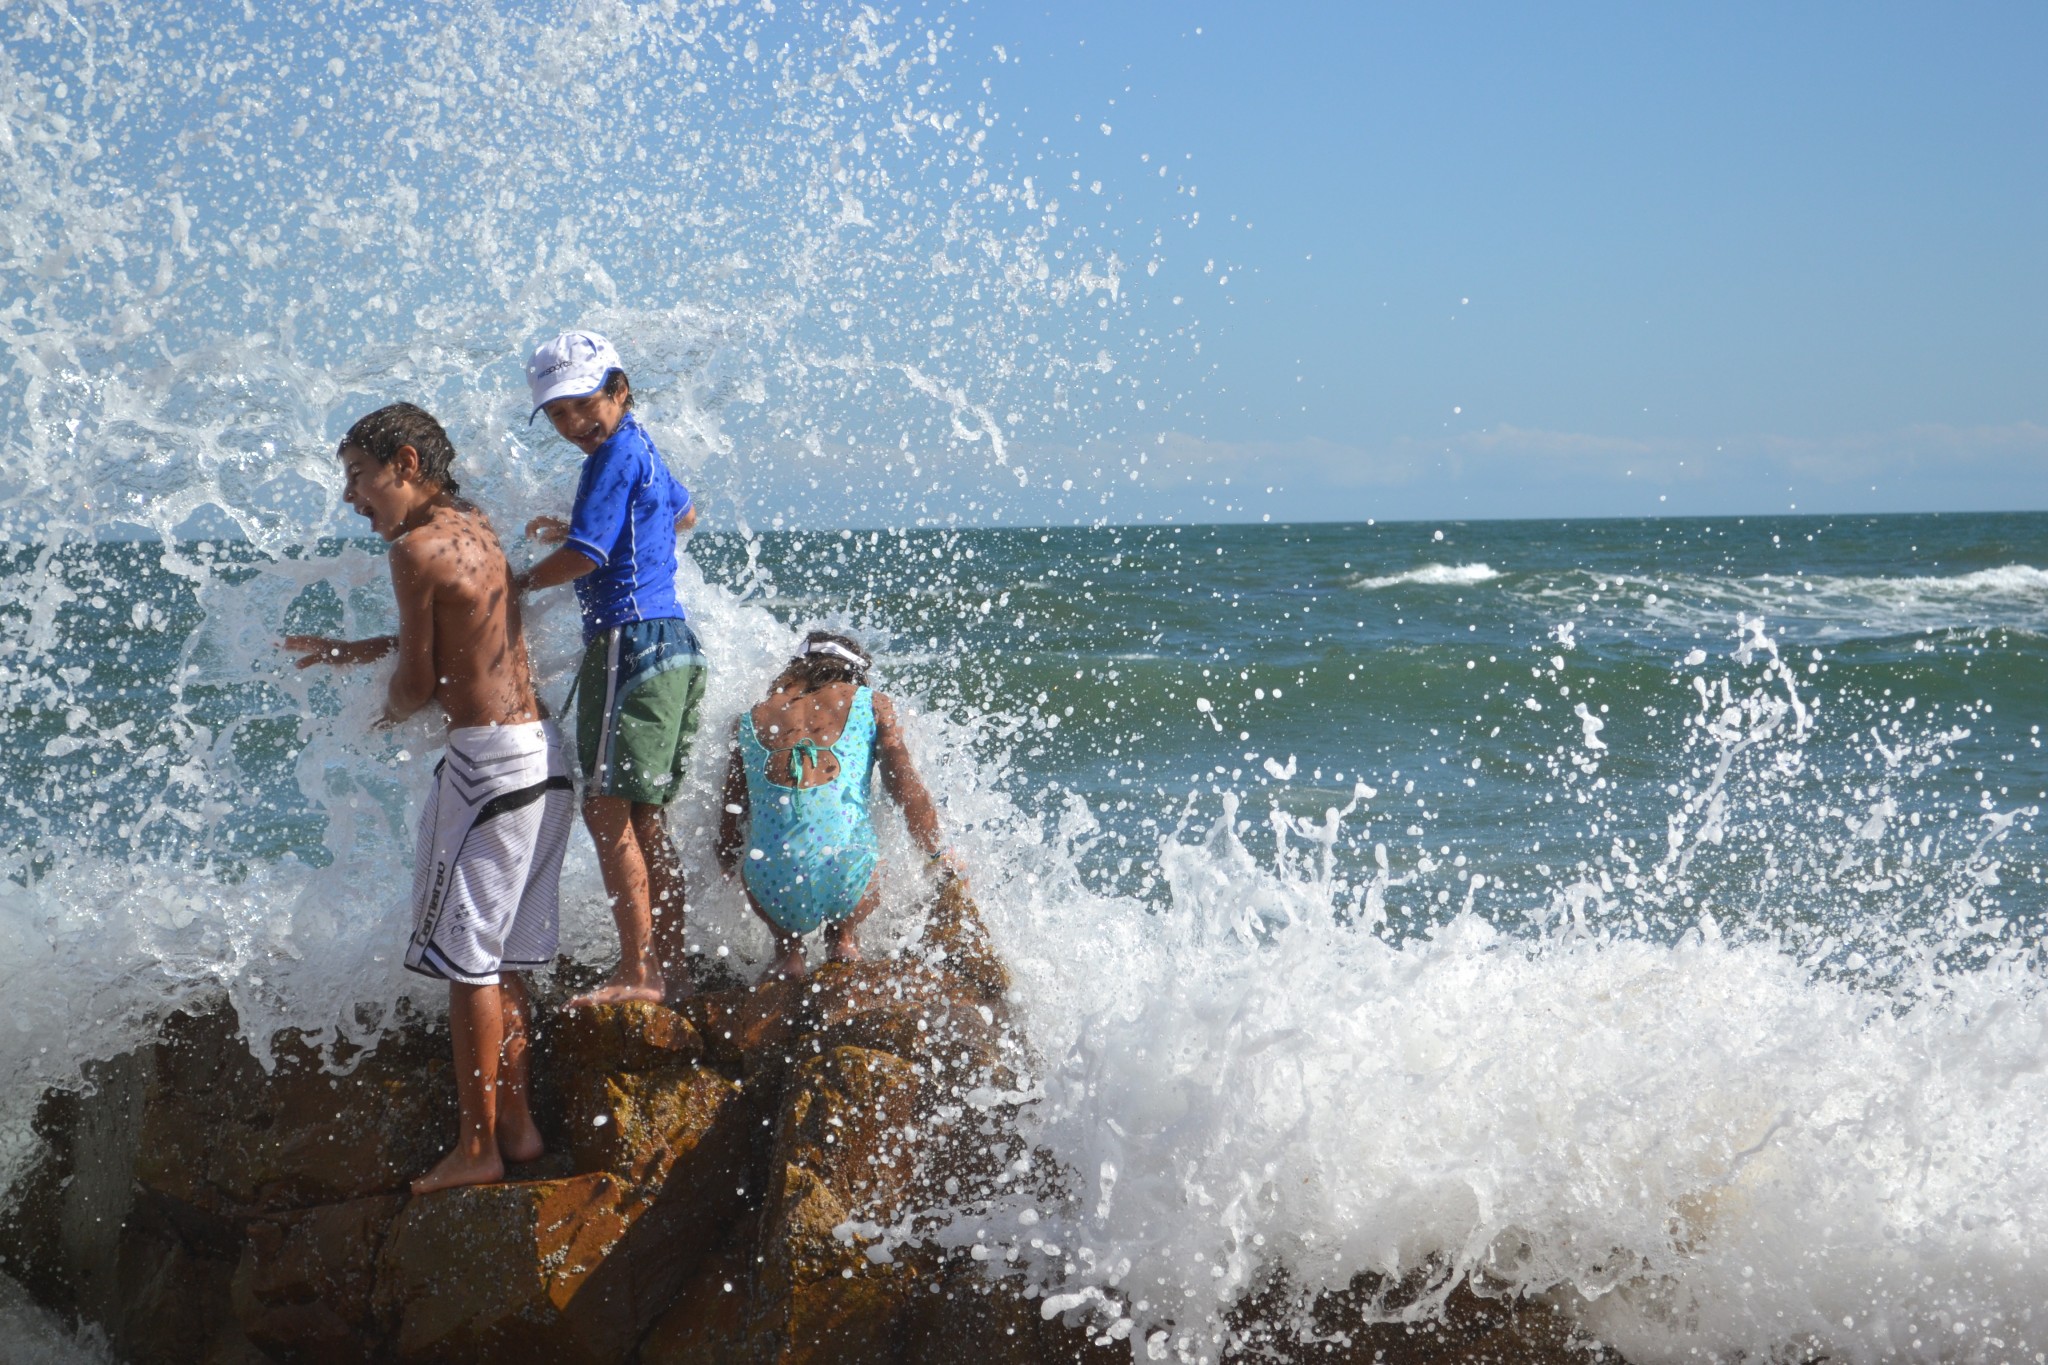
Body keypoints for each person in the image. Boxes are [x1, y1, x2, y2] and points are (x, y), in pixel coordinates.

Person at [283, 402, 572, 1196]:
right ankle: (517, 1126)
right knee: (502, 959)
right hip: (545, 758)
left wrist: (379, 714)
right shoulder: (475, 525)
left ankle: (477, 1146)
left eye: (357, 476)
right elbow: (465, 638)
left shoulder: (412, 549)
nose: (350, 497)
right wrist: (356, 651)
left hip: (488, 771)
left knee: (469, 968)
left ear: (405, 464)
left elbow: (418, 682)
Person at [515, 330, 704, 1008]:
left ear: (620, 390)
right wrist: (587, 530)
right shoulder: (641, 446)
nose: (573, 423)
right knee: (644, 817)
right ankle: (668, 968)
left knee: (604, 809)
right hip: (672, 644)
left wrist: (515, 584)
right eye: (558, 414)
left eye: (583, 404)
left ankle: (637, 971)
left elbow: (588, 558)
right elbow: (684, 514)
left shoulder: (608, 458)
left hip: (629, 643)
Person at [715, 631, 960, 983]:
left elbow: (732, 816)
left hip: (770, 887)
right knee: (857, 853)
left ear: (797, 667)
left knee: (771, 864)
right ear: (853, 672)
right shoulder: (871, 703)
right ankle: (844, 940)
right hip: (850, 878)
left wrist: (727, 863)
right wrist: (936, 853)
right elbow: (906, 789)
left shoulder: (749, 718)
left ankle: (787, 953)